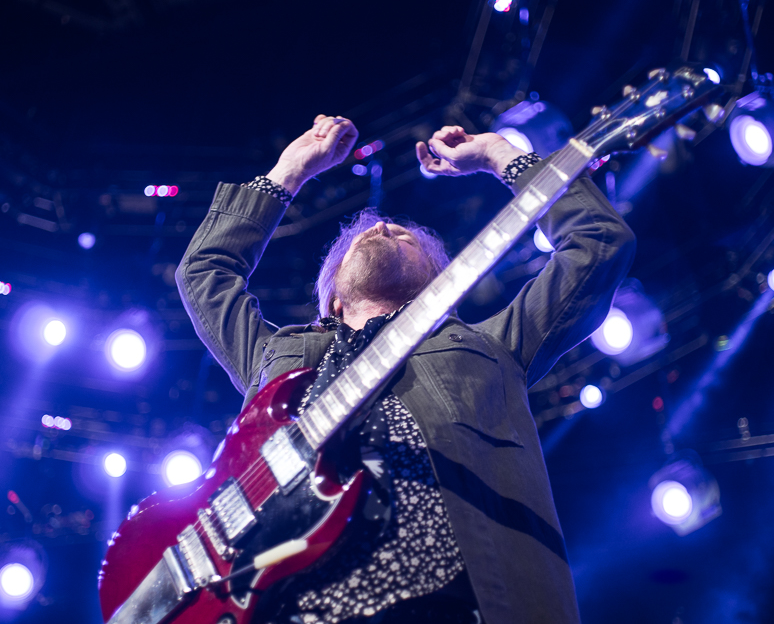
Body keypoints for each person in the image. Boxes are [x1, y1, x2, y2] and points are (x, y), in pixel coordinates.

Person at [177, 115, 635, 624]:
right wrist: (289, 171)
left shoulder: (491, 345)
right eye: (361, 237)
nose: (382, 226)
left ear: (442, 291)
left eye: (409, 238)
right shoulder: (275, 358)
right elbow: (204, 274)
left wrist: (499, 154)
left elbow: (597, 242)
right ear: (330, 300)